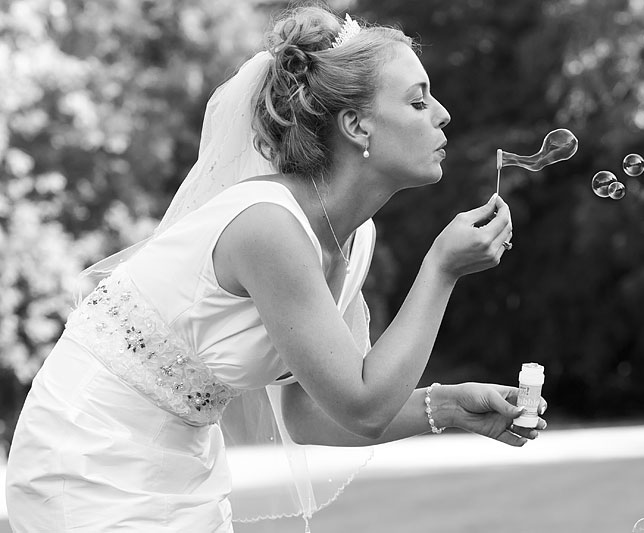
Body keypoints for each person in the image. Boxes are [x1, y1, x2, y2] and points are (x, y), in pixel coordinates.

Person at [5, 6, 547, 532]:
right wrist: (442, 269)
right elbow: (363, 407)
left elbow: (312, 415)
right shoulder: (269, 225)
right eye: (417, 100)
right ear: (357, 125)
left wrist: (450, 405)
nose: (443, 113)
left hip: (185, 462)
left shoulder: (354, 239)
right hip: (87, 451)